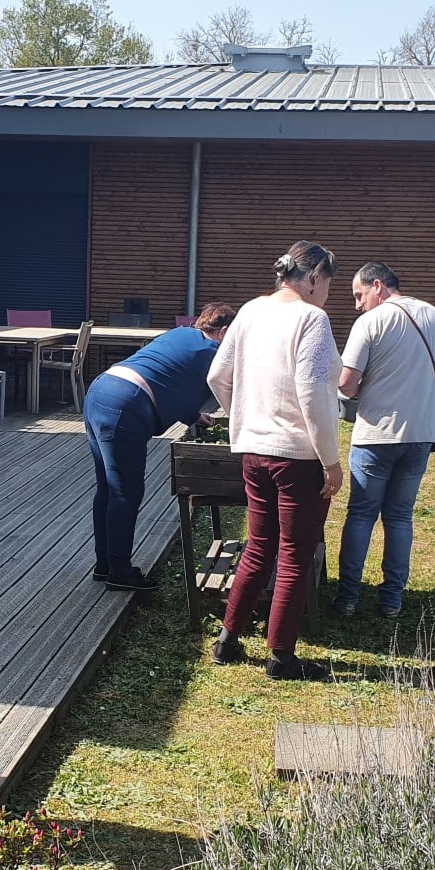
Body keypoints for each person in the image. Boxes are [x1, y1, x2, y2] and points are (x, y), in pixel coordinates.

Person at [206, 241, 343, 682]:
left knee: (258, 546)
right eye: (328, 285)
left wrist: (243, 415)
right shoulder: (311, 318)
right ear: (316, 278)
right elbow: (312, 393)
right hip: (298, 456)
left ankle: (228, 638)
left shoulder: (249, 311)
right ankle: (281, 656)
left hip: (254, 450)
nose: (328, 295)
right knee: (294, 555)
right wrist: (331, 461)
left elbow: (217, 376)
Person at [334, 262, 435, 619]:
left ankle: (347, 597)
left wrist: (364, 390)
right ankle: (391, 600)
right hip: (421, 433)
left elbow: (346, 383)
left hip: (375, 433)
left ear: (378, 286)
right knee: (400, 518)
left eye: (359, 295)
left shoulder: (371, 322)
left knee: (361, 514)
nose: (357, 305)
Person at [83, 303, 233, 591]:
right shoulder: (214, 352)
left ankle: (105, 565)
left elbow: (169, 378)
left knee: (108, 488)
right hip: (126, 405)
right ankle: (120, 572)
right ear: (224, 331)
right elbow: (227, 386)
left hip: (102, 389)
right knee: (125, 491)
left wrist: (194, 417)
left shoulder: (178, 335)